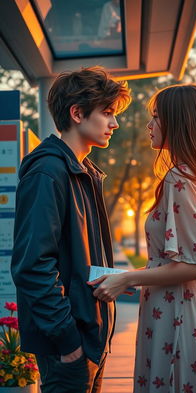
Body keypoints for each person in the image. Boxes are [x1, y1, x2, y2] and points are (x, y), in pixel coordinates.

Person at [88, 84, 196, 393]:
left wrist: (126, 280)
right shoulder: (195, 177)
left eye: (156, 117)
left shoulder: (179, 179)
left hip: (176, 315)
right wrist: (127, 276)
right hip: (191, 311)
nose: (148, 126)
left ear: (179, 122)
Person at [11, 66, 131, 393]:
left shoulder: (83, 171)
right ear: (77, 113)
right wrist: (68, 342)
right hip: (71, 345)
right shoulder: (48, 172)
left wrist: (121, 278)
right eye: (107, 113)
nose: (115, 123)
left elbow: (76, 256)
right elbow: (32, 266)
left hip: (90, 336)